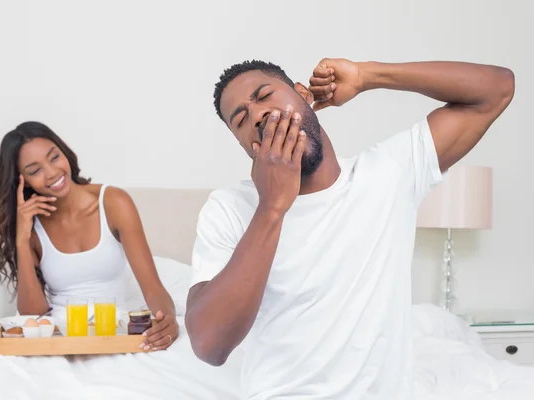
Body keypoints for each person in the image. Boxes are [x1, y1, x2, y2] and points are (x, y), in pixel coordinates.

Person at [185, 58, 514, 399]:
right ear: (245, 145)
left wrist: (367, 76)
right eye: (241, 119)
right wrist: (272, 207)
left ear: (303, 95)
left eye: (265, 95)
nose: (258, 114)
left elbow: (496, 89)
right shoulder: (229, 208)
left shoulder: (387, 175)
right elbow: (209, 345)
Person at [0, 121, 178, 351]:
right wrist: (21, 240)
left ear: (65, 152)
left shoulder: (114, 202)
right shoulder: (31, 227)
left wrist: (167, 320)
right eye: (35, 170)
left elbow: (153, 288)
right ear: (22, 182)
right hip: (58, 338)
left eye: (54, 157)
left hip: (113, 333)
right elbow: (33, 315)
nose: (52, 173)